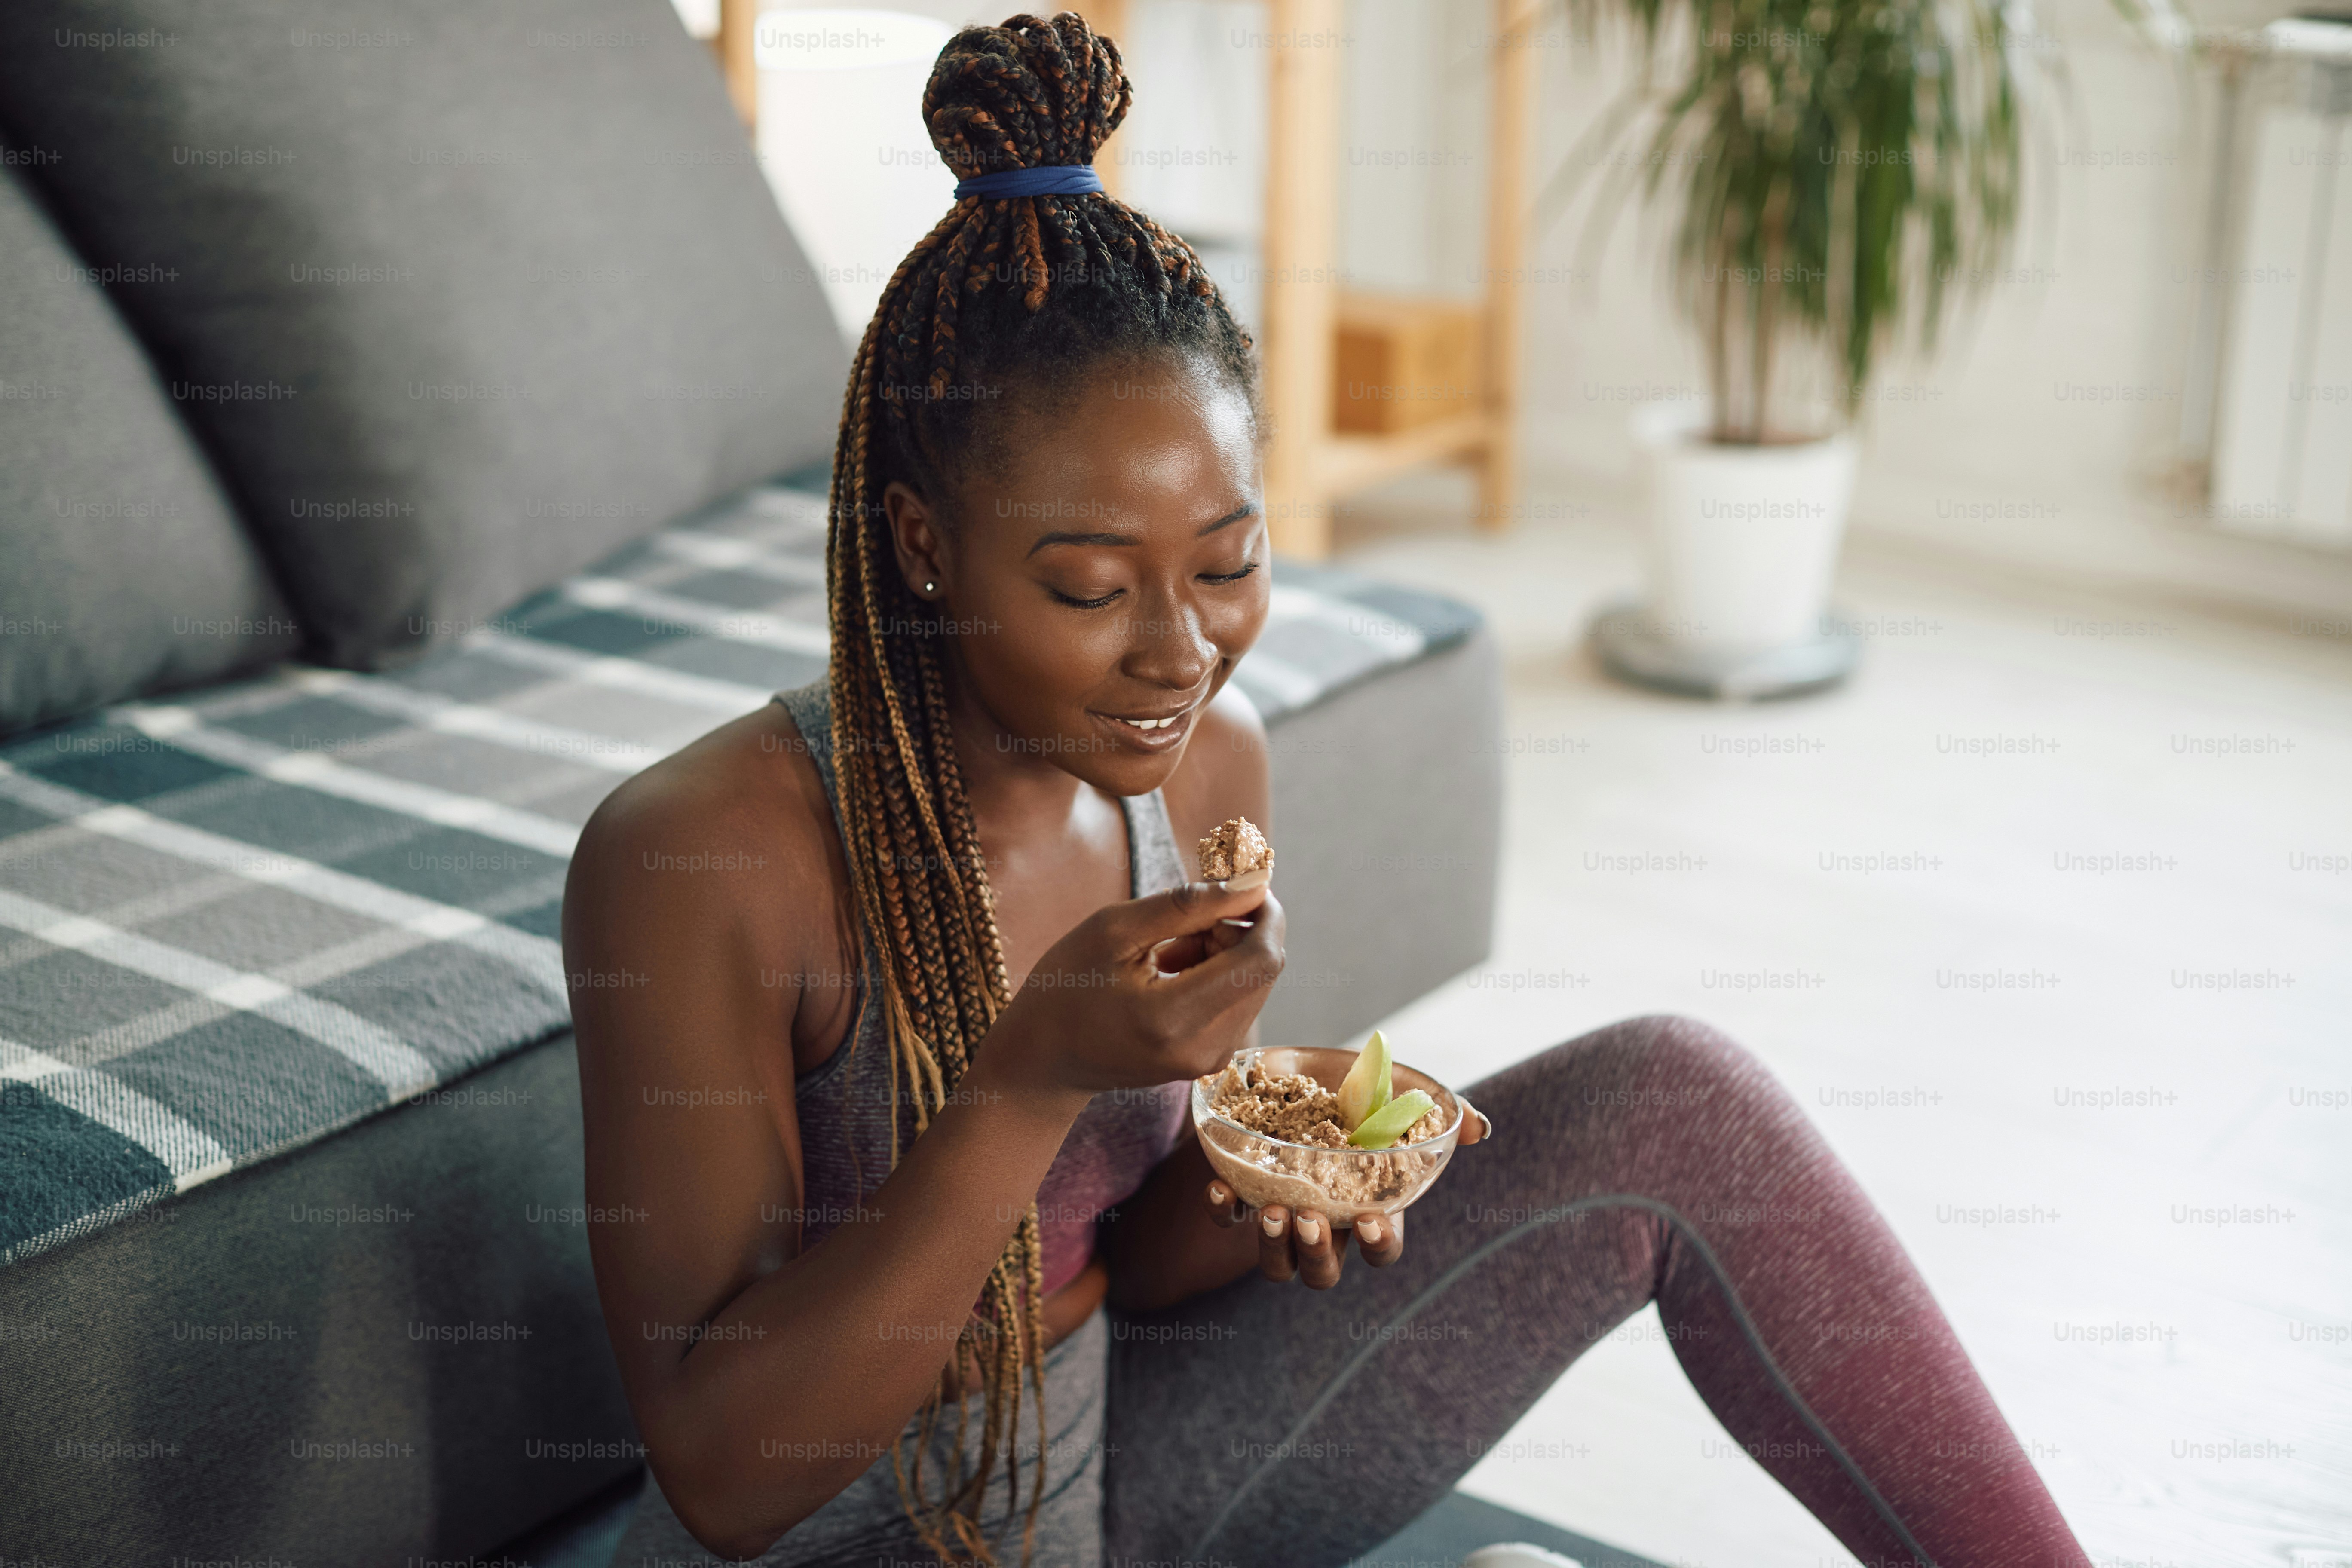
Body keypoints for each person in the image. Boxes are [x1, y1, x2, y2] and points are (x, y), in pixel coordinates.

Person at [561, 13, 2094, 1567]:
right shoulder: (704, 858)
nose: (1183, 653)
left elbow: (1134, 1261)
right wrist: (1029, 1078)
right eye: (1090, 588)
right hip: (839, 1534)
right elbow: (728, 1477)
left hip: (1110, 1466)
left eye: (1229, 565)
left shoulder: (1206, 770)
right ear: (918, 544)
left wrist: (1261, 1186)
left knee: (1676, 1099)